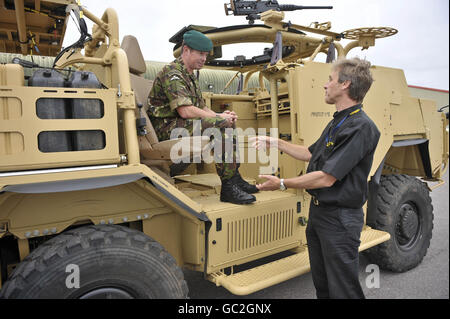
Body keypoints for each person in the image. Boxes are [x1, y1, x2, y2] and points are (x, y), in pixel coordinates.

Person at [252, 57, 380, 298]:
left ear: (345, 85)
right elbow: (310, 153)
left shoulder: (361, 127)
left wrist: (281, 183)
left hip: (340, 220)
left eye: (330, 79)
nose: (325, 85)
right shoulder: (338, 122)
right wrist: (274, 141)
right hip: (321, 215)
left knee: (343, 290)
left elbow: (326, 178)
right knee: (323, 287)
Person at [148, 30, 258, 205]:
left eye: (205, 55)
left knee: (227, 121)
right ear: (186, 50)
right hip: (165, 129)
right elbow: (185, 111)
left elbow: (201, 107)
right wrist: (218, 118)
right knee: (221, 124)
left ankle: (234, 178)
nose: (204, 58)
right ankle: (228, 187)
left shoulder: (189, 74)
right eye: (200, 53)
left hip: (179, 124)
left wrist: (220, 115)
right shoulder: (173, 73)